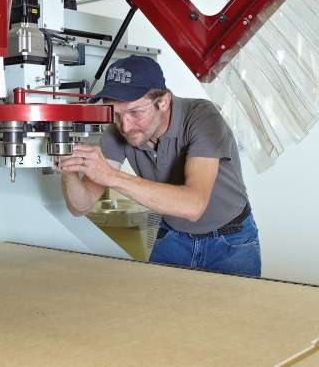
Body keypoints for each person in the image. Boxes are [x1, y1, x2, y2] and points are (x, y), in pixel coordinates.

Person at [57, 55, 261, 277]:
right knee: (156, 311)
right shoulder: (118, 130)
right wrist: (69, 173)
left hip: (230, 240)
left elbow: (193, 206)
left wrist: (112, 177)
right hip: (173, 237)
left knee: (236, 312)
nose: (125, 125)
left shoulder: (203, 117)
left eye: (135, 112)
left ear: (163, 101)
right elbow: (80, 206)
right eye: (115, 114)